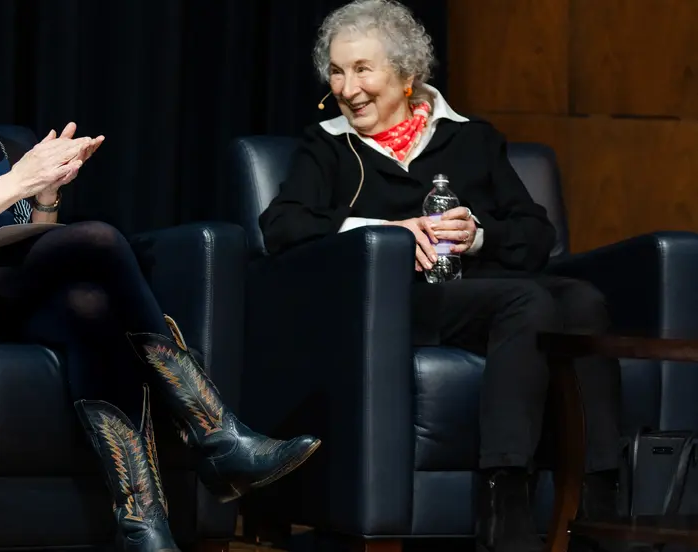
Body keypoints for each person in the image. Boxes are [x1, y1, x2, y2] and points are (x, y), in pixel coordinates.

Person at [0, 1, 320, 550]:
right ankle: (213, 432)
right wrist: (16, 183)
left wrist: (45, 197)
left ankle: (145, 522)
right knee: (98, 238)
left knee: (90, 307)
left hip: (0, 304)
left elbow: (25, 243)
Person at [258, 1, 622, 551]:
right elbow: (282, 226)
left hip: (478, 293)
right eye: (336, 70)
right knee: (530, 304)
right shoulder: (328, 146)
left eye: (363, 69)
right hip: (393, 307)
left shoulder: (471, 139)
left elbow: (534, 233)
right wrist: (390, 233)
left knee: (584, 300)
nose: (347, 87)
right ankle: (503, 505)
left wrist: (475, 234)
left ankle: (596, 503)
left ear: (407, 76)